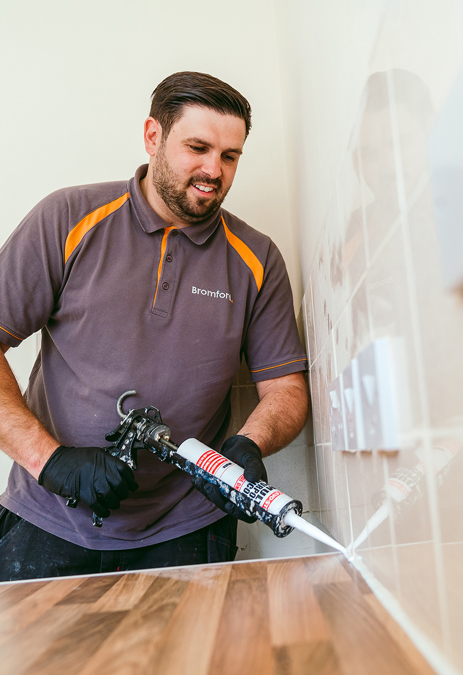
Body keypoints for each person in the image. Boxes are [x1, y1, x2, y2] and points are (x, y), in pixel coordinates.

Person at [0, 71, 308, 581]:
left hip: (186, 528)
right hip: (48, 519)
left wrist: (249, 443)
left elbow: (286, 388)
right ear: (153, 137)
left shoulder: (257, 258)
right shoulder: (68, 218)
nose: (214, 170)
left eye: (230, 157)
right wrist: (50, 461)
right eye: (198, 147)